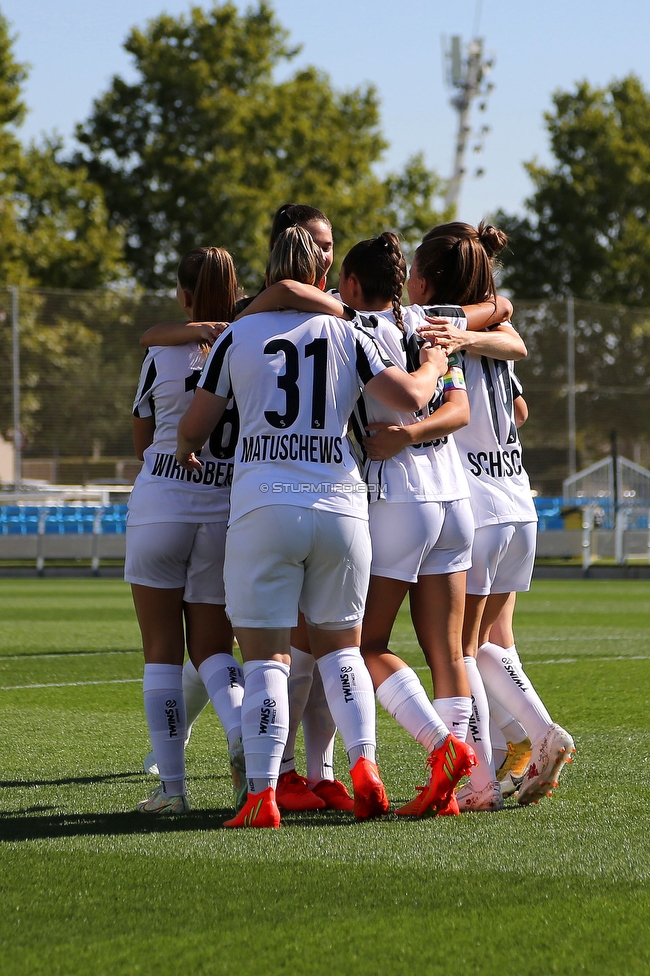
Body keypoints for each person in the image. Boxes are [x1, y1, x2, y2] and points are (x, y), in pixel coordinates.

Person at [176, 226, 450, 828]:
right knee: (342, 650)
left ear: (269, 272)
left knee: (267, 658)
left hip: (264, 507)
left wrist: (186, 443)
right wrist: (434, 358)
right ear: (321, 276)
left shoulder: (238, 334)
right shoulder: (348, 331)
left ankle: (263, 794)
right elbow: (405, 397)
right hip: (341, 505)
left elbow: (195, 427)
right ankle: (365, 768)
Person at [404, 221, 576, 809]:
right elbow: (521, 409)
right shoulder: (493, 327)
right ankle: (516, 747)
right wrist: (489, 329)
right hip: (517, 496)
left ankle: (524, 742)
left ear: (424, 280)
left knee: (464, 650)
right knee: (494, 642)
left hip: (475, 494)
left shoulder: (431, 324)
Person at [126, 246, 246, 815]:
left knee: (161, 653)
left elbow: (141, 434)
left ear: (182, 294)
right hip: (223, 511)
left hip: (161, 505)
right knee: (213, 649)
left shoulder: (162, 352)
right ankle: (243, 729)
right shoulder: (252, 344)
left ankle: (172, 791)